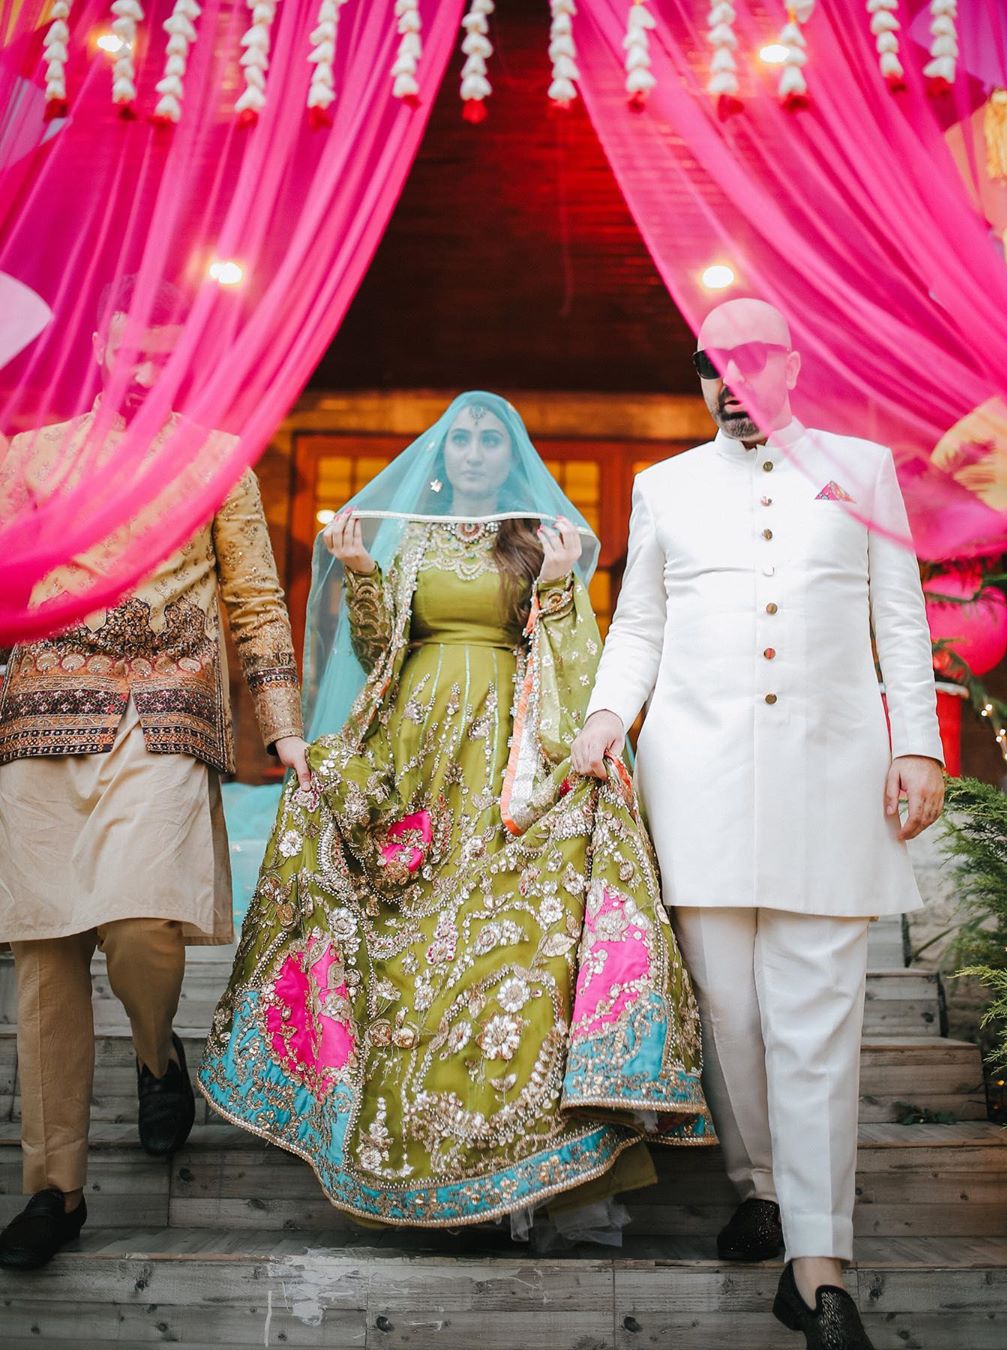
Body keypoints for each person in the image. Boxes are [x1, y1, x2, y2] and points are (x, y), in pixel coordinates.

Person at [198, 391, 714, 1231]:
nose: (472, 450)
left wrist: (554, 589)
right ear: (445, 456)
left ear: (509, 456)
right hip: (416, 749)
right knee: (393, 925)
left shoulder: (540, 541)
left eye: (489, 439)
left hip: (509, 750)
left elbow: (581, 658)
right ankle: (378, 1136)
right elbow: (377, 652)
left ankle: (523, 1152)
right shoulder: (416, 540)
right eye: (461, 438)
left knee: (510, 939)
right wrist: (364, 579)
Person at [572, 299, 944, 1349]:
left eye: (748, 363)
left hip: (835, 783)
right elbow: (639, 620)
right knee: (731, 1017)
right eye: (710, 366)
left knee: (816, 1024)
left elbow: (900, 620)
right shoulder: (665, 487)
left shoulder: (865, 471)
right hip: (697, 784)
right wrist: (609, 714)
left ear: (792, 365)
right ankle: (762, 1186)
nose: (729, 384)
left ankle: (820, 1268)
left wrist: (916, 744)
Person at [0, 277, 306, 1270]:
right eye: (127, 353)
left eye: (161, 358)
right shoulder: (30, 456)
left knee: (139, 928)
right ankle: (56, 1191)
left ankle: (157, 1051)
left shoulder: (219, 462)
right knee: (45, 967)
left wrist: (286, 728)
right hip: (41, 721)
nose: (140, 372)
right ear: (99, 345)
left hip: (163, 719)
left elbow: (256, 601)